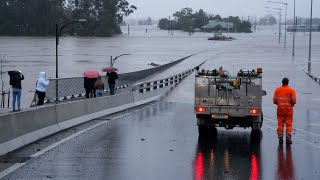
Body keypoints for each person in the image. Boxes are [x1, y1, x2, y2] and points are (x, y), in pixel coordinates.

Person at [273, 78, 296, 144]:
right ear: (288, 82)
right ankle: (288, 139)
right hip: (289, 110)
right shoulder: (291, 90)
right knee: (289, 125)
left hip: (280, 110)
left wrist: (279, 104)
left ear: (282, 82)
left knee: (280, 124)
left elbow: (274, 100)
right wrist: (291, 104)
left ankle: (280, 138)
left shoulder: (277, 90)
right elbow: (294, 101)